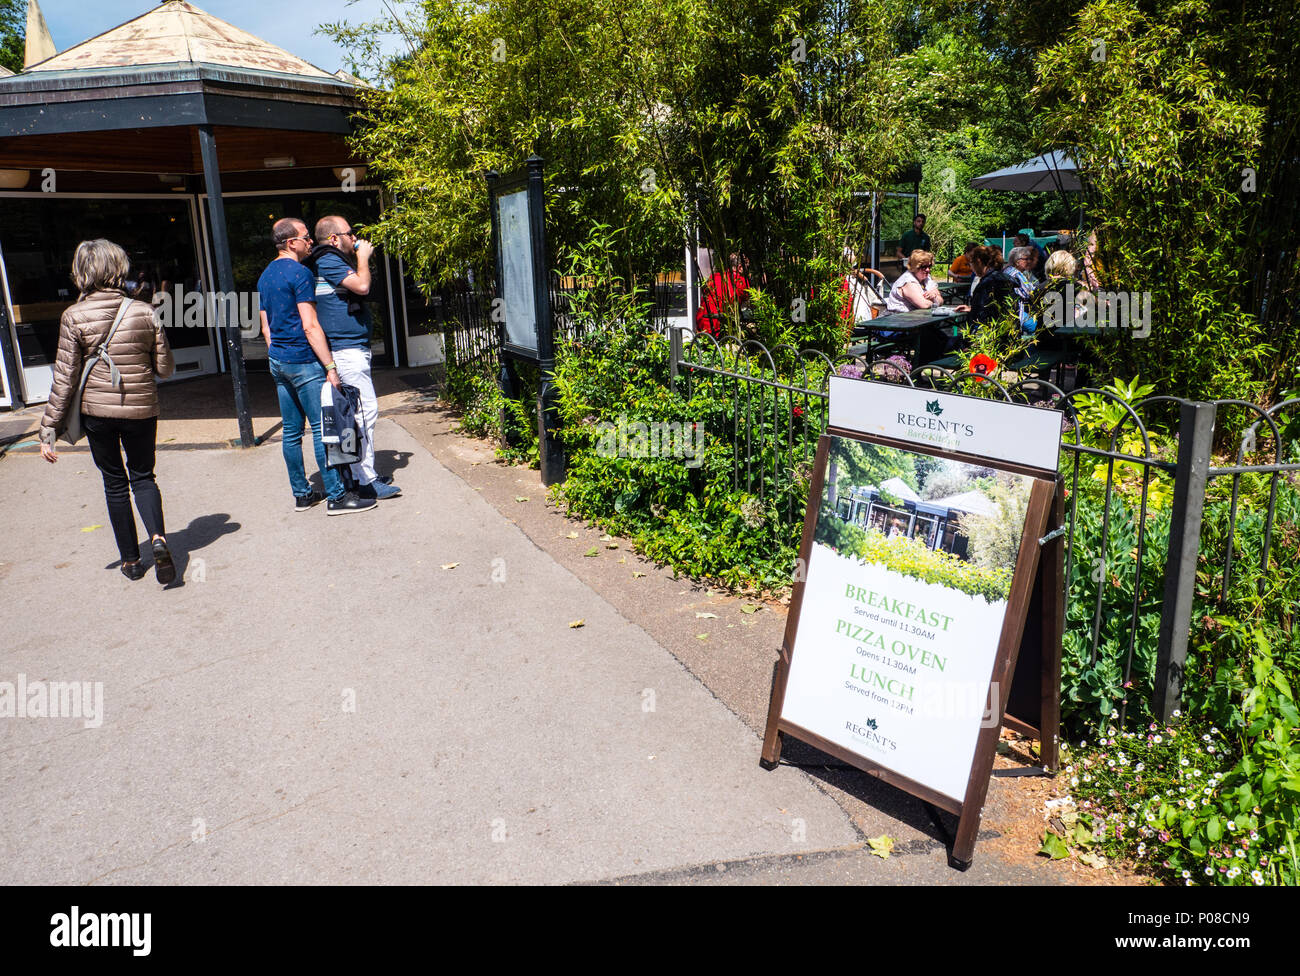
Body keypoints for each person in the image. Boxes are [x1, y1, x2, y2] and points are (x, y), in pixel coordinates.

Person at [38, 239, 177, 583]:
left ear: (81, 272)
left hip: (97, 413)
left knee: (114, 484)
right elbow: (165, 369)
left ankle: (131, 561)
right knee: (143, 477)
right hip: (142, 408)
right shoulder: (143, 311)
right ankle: (158, 537)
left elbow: (65, 377)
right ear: (118, 269)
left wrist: (48, 429)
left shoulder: (73, 316)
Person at [258, 217, 375, 516]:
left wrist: (276, 355)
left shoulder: (266, 275)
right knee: (324, 429)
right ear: (290, 243)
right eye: (305, 237)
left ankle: (302, 494)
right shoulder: (299, 274)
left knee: (291, 433)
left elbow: (266, 325)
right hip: (303, 361)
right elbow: (311, 326)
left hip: (279, 361)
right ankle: (337, 496)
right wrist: (330, 367)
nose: (310, 241)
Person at [305, 215, 401, 500]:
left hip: (350, 349)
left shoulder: (329, 260)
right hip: (346, 351)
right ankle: (365, 479)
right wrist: (363, 257)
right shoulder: (328, 260)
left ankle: (362, 475)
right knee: (364, 413)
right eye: (350, 233)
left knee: (359, 413)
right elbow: (362, 287)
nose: (355, 238)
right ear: (334, 238)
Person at [954, 246, 1013, 325]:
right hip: (1008, 328)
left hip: (989, 332)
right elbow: (991, 308)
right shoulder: (1003, 277)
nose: (971, 267)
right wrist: (971, 308)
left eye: (971, 263)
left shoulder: (987, 283)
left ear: (978, 262)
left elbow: (984, 315)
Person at [695, 252, 749, 336]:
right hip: (719, 328)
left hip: (702, 323)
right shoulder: (741, 281)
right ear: (740, 268)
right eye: (747, 267)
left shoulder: (715, 276)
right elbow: (749, 303)